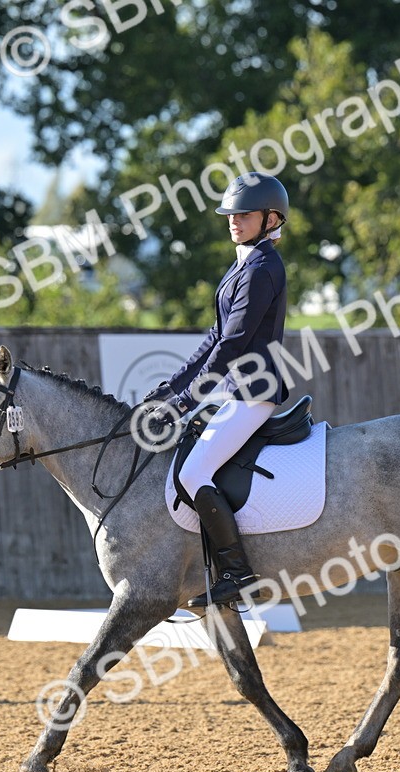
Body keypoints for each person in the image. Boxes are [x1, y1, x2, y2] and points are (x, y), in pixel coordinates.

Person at [143, 172, 291, 608]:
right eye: (230, 214)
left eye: (243, 214)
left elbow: (234, 343)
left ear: (270, 219)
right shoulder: (243, 263)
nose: (233, 220)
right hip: (234, 390)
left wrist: (190, 400)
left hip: (253, 390)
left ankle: (238, 573)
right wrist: (173, 387)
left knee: (191, 474)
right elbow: (214, 336)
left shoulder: (263, 268)